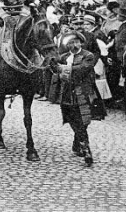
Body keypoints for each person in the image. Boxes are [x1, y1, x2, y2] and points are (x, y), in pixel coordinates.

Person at [51, 31, 105, 167]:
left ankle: (86, 149)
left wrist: (62, 68)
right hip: (67, 94)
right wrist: (52, 64)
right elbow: (52, 66)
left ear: (81, 43)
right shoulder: (64, 57)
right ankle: (78, 143)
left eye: (76, 42)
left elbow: (82, 69)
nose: (73, 45)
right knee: (72, 120)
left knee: (83, 121)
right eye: (70, 43)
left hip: (83, 93)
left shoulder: (88, 56)